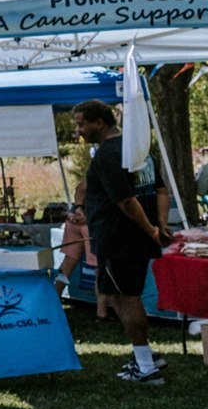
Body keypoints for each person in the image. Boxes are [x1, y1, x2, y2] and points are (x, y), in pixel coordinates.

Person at [73, 101, 172, 385]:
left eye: (82, 124)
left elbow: (126, 201)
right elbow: (161, 190)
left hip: (119, 239)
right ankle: (147, 357)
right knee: (126, 295)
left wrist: (152, 229)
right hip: (133, 237)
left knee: (123, 298)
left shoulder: (108, 154)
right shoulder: (139, 149)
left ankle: (145, 367)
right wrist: (159, 225)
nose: (79, 131)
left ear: (99, 123)